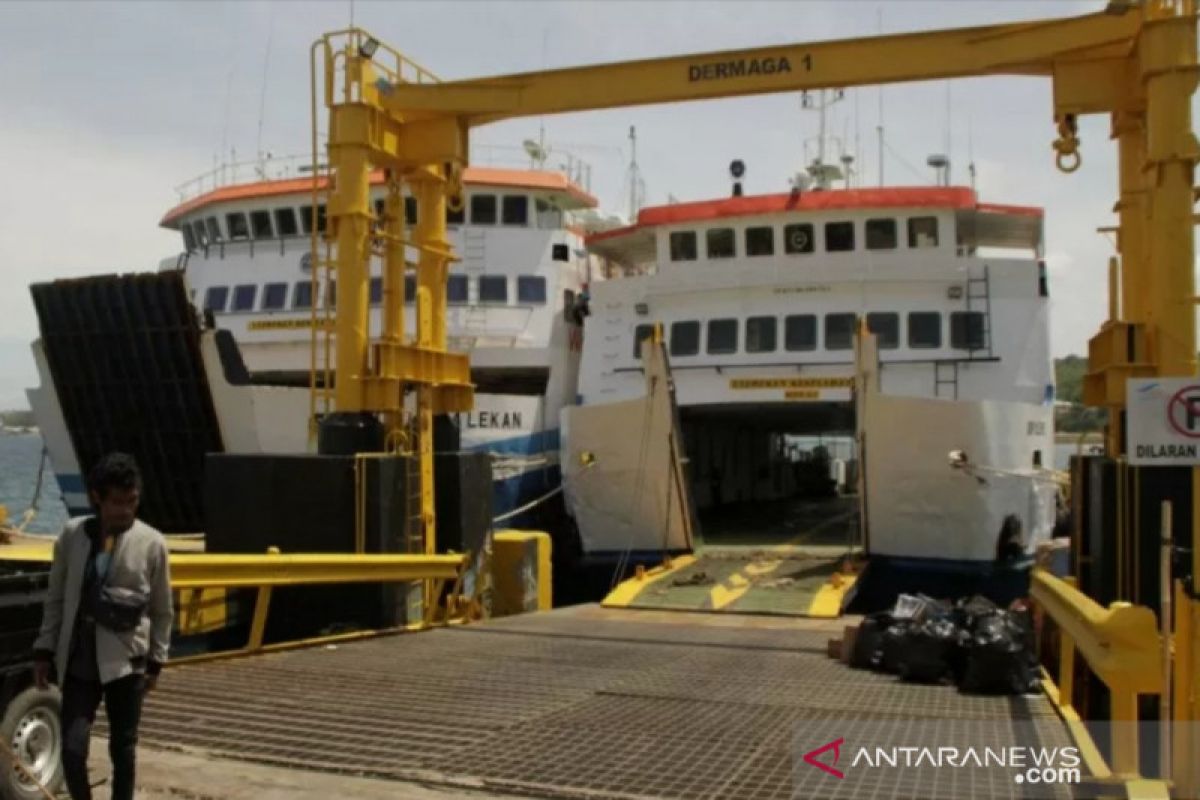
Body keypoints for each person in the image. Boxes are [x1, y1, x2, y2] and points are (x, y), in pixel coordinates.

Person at [32, 453, 173, 800]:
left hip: (127, 662)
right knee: (72, 749)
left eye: (132, 501)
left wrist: (157, 661)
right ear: (97, 497)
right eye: (116, 502)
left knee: (123, 749)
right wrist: (44, 649)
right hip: (80, 659)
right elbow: (56, 599)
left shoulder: (152, 543)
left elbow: (162, 609)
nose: (125, 510)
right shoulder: (72, 536)